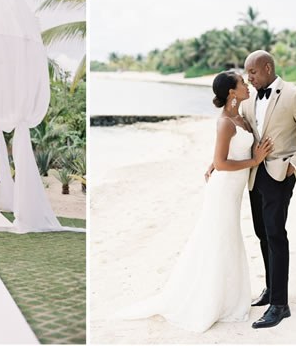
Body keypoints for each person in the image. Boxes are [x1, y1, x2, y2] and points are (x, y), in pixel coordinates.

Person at [117, 71, 273, 333]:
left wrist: (215, 162)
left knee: (226, 238)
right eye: (242, 83)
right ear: (232, 93)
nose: (246, 84)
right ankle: (212, 301)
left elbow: (221, 156)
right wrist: (254, 162)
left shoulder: (240, 115)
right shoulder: (225, 122)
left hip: (233, 188)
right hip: (223, 190)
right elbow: (224, 163)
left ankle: (227, 297)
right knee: (219, 240)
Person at [206, 50, 296, 329]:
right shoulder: (248, 99)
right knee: (261, 233)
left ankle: (280, 305)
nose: (250, 78)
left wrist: (294, 165)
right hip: (253, 175)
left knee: (275, 234)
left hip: (280, 174)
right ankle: (271, 289)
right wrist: (214, 162)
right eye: (246, 75)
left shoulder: (294, 95)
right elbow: (239, 134)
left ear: (267, 68)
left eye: (254, 73)